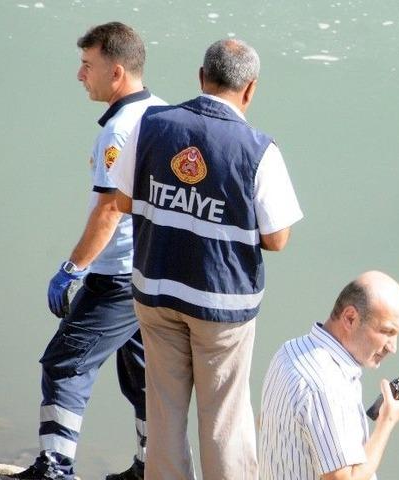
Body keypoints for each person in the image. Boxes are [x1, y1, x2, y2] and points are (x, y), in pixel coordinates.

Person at [109, 38, 303, 480]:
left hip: (155, 291)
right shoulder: (258, 150)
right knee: (224, 421)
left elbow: (122, 201)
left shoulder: (151, 125)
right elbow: (277, 238)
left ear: (200, 76)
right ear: (250, 89)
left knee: (164, 414)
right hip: (222, 307)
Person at [7, 22, 166, 480]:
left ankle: (55, 467)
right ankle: (148, 467)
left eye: (87, 65)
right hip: (153, 272)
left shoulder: (117, 131)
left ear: (116, 72)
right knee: (142, 376)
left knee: (65, 363)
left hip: (116, 275)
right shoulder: (160, 114)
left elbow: (107, 213)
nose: (80, 75)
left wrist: (72, 268)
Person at [258, 271, 399, 480]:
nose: (393, 347)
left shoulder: (290, 349)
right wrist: (387, 420)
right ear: (350, 318)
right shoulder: (327, 386)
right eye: (387, 332)